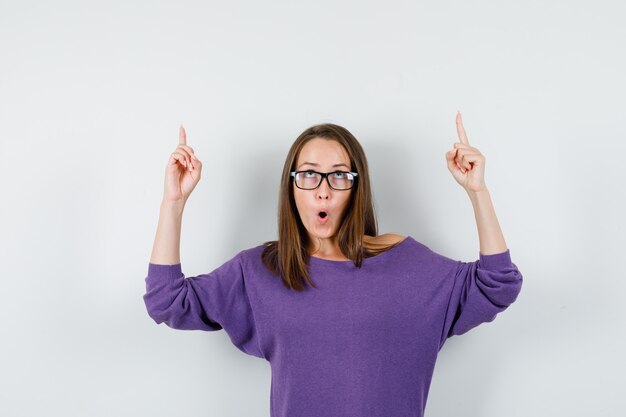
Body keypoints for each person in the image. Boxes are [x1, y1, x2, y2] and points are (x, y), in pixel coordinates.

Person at [143, 113, 523, 417]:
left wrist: (478, 193)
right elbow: (165, 299)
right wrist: (172, 203)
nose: (323, 188)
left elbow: (498, 283)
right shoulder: (260, 271)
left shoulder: (408, 265)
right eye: (308, 174)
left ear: (357, 187)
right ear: (291, 187)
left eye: (339, 174)